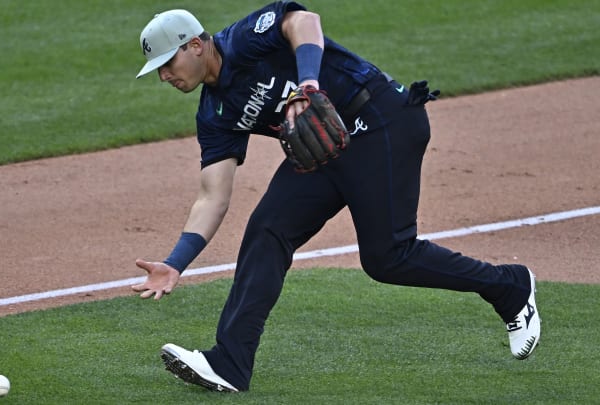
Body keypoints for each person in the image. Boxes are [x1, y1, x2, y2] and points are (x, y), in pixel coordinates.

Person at [131, 1, 541, 393]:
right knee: (268, 229)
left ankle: (509, 286)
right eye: (158, 70)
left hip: (381, 119)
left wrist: (308, 83)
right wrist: (175, 262)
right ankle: (229, 364)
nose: (165, 76)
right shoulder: (214, 113)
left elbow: (303, 21)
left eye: (168, 63)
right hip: (328, 150)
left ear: (196, 45)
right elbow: (212, 196)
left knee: (388, 257)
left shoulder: (242, 40)